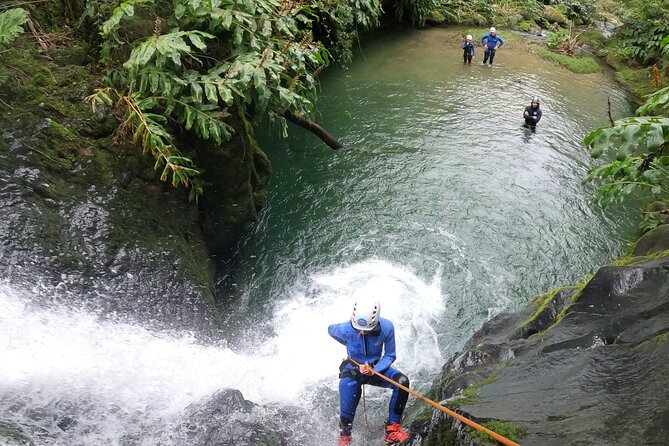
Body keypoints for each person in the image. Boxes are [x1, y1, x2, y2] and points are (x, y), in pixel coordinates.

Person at [328, 298, 410, 446]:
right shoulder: (344, 329)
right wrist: (348, 344)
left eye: (366, 331)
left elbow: (390, 355)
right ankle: (345, 437)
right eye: (358, 329)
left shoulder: (387, 328)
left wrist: (374, 370)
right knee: (347, 388)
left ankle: (392, 429)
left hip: (377, 369)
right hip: (353, 370)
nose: (361, 332)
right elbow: (330, 329)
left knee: (402, 383)